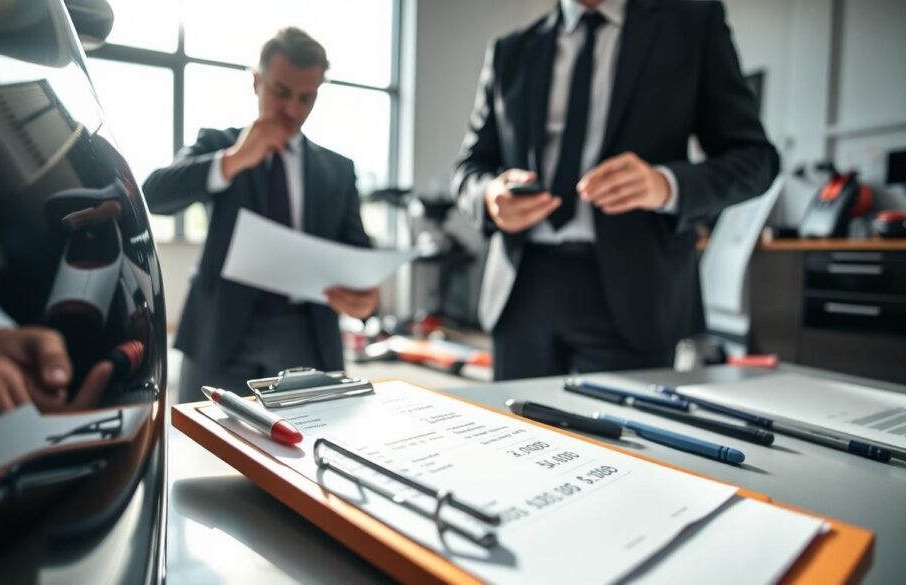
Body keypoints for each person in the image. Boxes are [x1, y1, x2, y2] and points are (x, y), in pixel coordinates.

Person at [453, 0, 779, 380]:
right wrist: (489, 198)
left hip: (638, 292)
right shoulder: (509, 50)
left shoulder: (693, 24)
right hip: (521, 289)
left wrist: (666, 185)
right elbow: (468, 169)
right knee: (514, 436)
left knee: (622, 440)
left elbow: (757, 160)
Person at [142, 27, 379, 401]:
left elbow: (357, 255)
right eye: (281, 92)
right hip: (219, 328)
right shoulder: (220, 144)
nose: (292, 110)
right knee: (203, 449)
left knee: (305, 450)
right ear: (257, 81)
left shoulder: (338, 169)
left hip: (306, 335)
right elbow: (154, 195)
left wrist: (365, 297)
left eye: (307, 98)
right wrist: (233, 160)